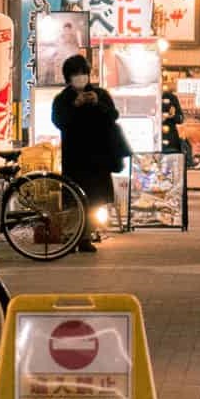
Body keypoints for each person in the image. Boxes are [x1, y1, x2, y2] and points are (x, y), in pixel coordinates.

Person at [50, 54, 127, 253]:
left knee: (95, 199)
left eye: (83, 73)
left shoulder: (100, 94)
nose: (80, 77)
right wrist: (75, 106)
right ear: (68, 77)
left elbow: (113, 116)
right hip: (75, 156)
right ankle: (73, 235)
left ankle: (86, 236)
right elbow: (59, 121)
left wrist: (97, 104)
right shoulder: (63, 99)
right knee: (74, 199)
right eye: (76, 74)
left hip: (98, 156)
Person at [160, 86, 190, 159]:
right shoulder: (146, 95)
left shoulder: (171, 97)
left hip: (170, 139)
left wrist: (171, 116)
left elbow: (180, 119)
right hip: (150, 136)